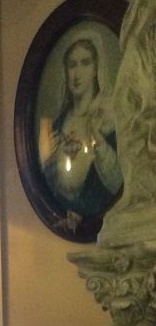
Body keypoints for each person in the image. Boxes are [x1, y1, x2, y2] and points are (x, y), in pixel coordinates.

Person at [40, 36, 123, 223]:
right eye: (72, 65)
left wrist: (98, 139)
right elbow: (51, 186)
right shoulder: (56, 126)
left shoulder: (108, 118)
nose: (77, 74)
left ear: (95, 69)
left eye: (85, 63)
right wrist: (48, 162)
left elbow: (119, 182)